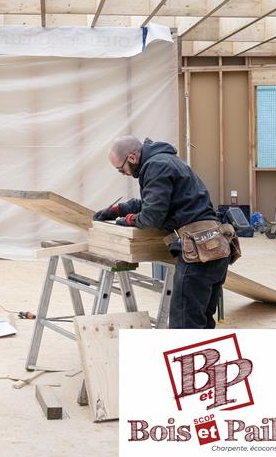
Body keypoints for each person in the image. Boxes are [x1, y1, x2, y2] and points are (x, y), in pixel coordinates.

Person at [94, 136, 237, 329]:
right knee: (201, 323)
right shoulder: (165, 161)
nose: (123, 174)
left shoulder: (156, 167)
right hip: (214, 249)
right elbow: (153, 203)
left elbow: (152, 216)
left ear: (133, 157)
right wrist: (117, 209)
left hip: (198, 255)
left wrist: (126, 220)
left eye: (121, 169)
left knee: (185, 326)